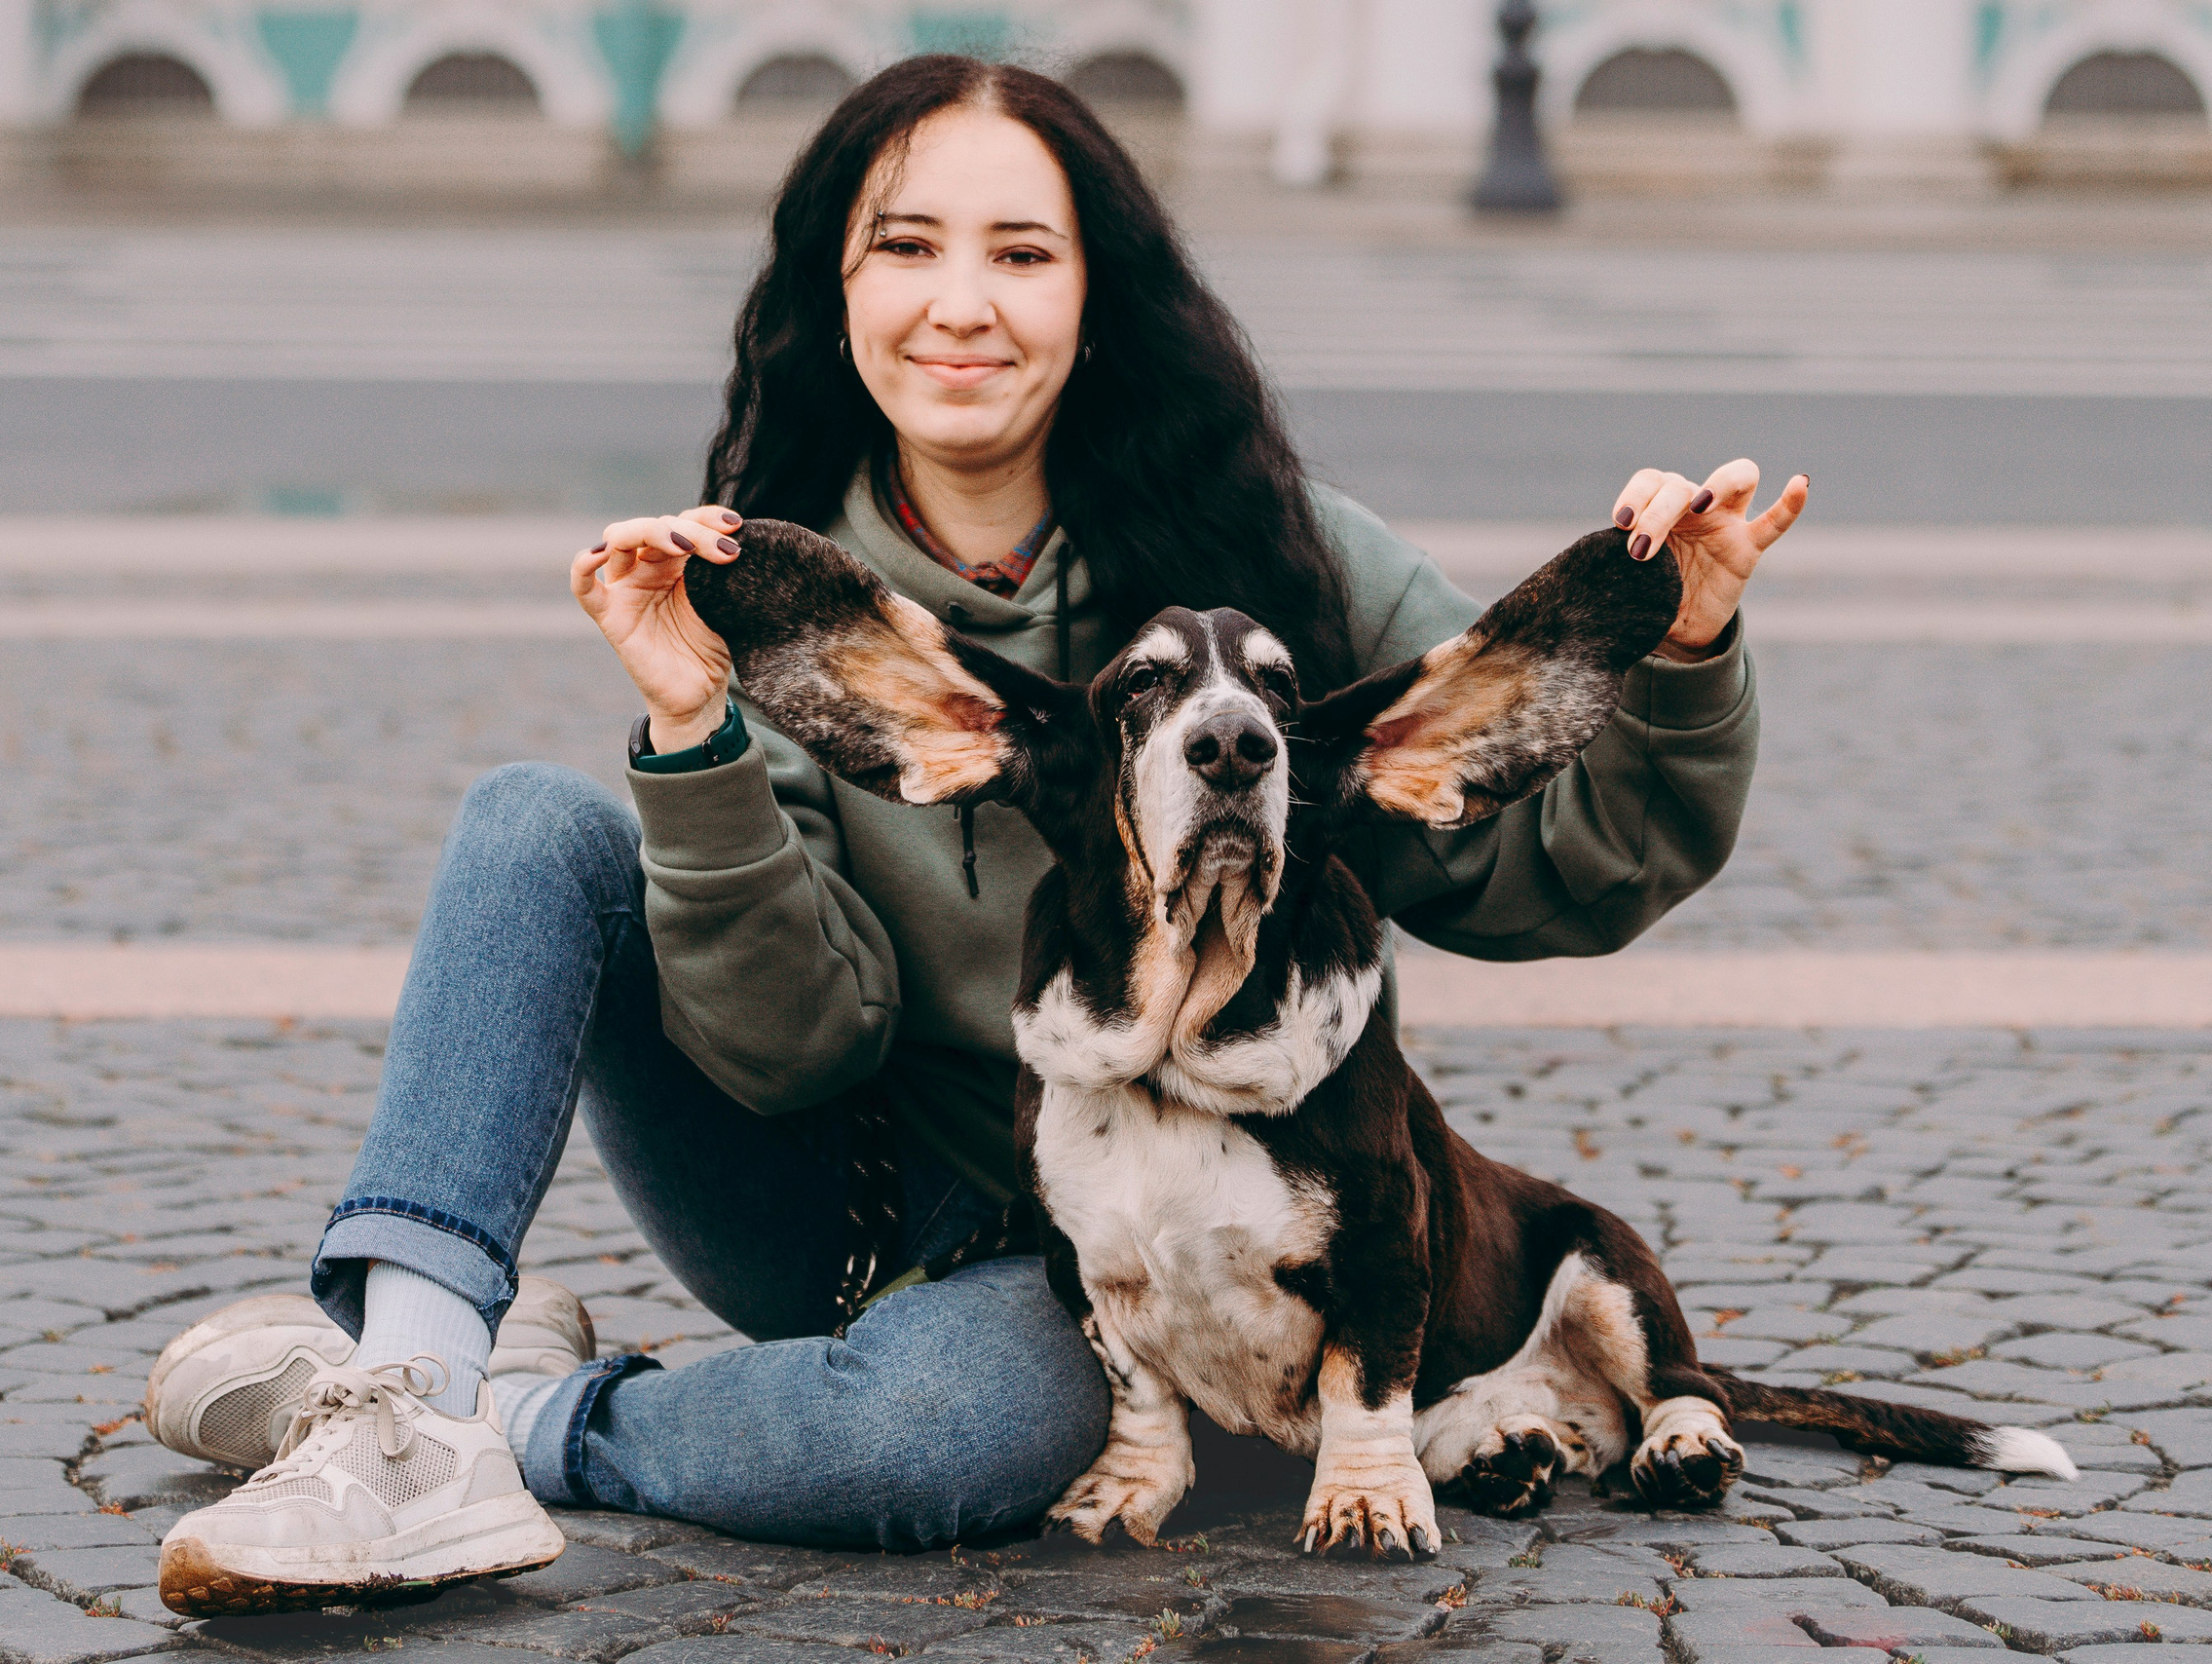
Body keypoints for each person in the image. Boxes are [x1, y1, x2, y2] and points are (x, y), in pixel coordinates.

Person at [141, 54, 1807, 1609]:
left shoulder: (1278, 559)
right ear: (836, 289)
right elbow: (792, 1047)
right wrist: (695, 727)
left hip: (1081, 1258)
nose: (960, 304)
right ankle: (405, 1403)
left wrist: (1684, 649)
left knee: (944, 1439)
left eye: (1021, 253)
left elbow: (1554, 881)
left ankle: (532, 1414)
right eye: (906, 247)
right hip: (832, 1188)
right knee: (533, 824)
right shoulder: (786, 609)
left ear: (1096, 299)